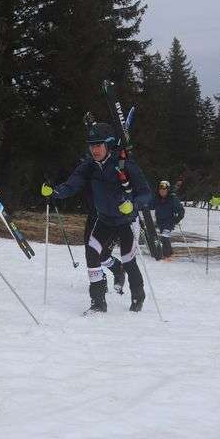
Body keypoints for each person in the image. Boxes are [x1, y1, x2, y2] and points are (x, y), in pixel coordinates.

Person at [41, 121, 152, 313]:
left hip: (126, 221)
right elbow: (72, 185)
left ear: (108, 144)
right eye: (91, 145)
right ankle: (98, 302)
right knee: (92, 254)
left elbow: (146, 194)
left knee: (128, 260)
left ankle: (138, 297)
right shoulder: (89, 166)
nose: (95, 150)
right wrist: (55, 192)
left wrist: (133, 205)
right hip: (105, 220)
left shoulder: (125, 164)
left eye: (99, 145)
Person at [153, 180, 185, 259]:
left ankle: (166, 255)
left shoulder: (172, 198)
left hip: (169, 222)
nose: (162, 191)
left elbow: (181, 211)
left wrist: (176, 220)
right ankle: (170, 252)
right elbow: (151, 205)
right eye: (160, 189)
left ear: (167, 190)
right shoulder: (157, 198)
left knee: (164, 237)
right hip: (160, 221)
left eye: (164, 189)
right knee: (164, 237)